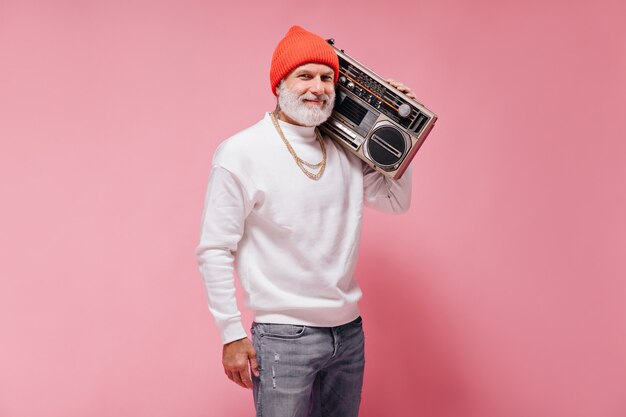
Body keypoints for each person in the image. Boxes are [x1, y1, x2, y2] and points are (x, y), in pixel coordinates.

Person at [196, 25, 416, 417]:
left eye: (327, 77)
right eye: (305, 75)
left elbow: (396, 201)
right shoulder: (241, 152)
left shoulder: (348, 151)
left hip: (348, 334)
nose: (318, 87)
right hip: (284, 336)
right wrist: (231, 335)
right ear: (280, 83)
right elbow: (215, 248)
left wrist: (399, 130)